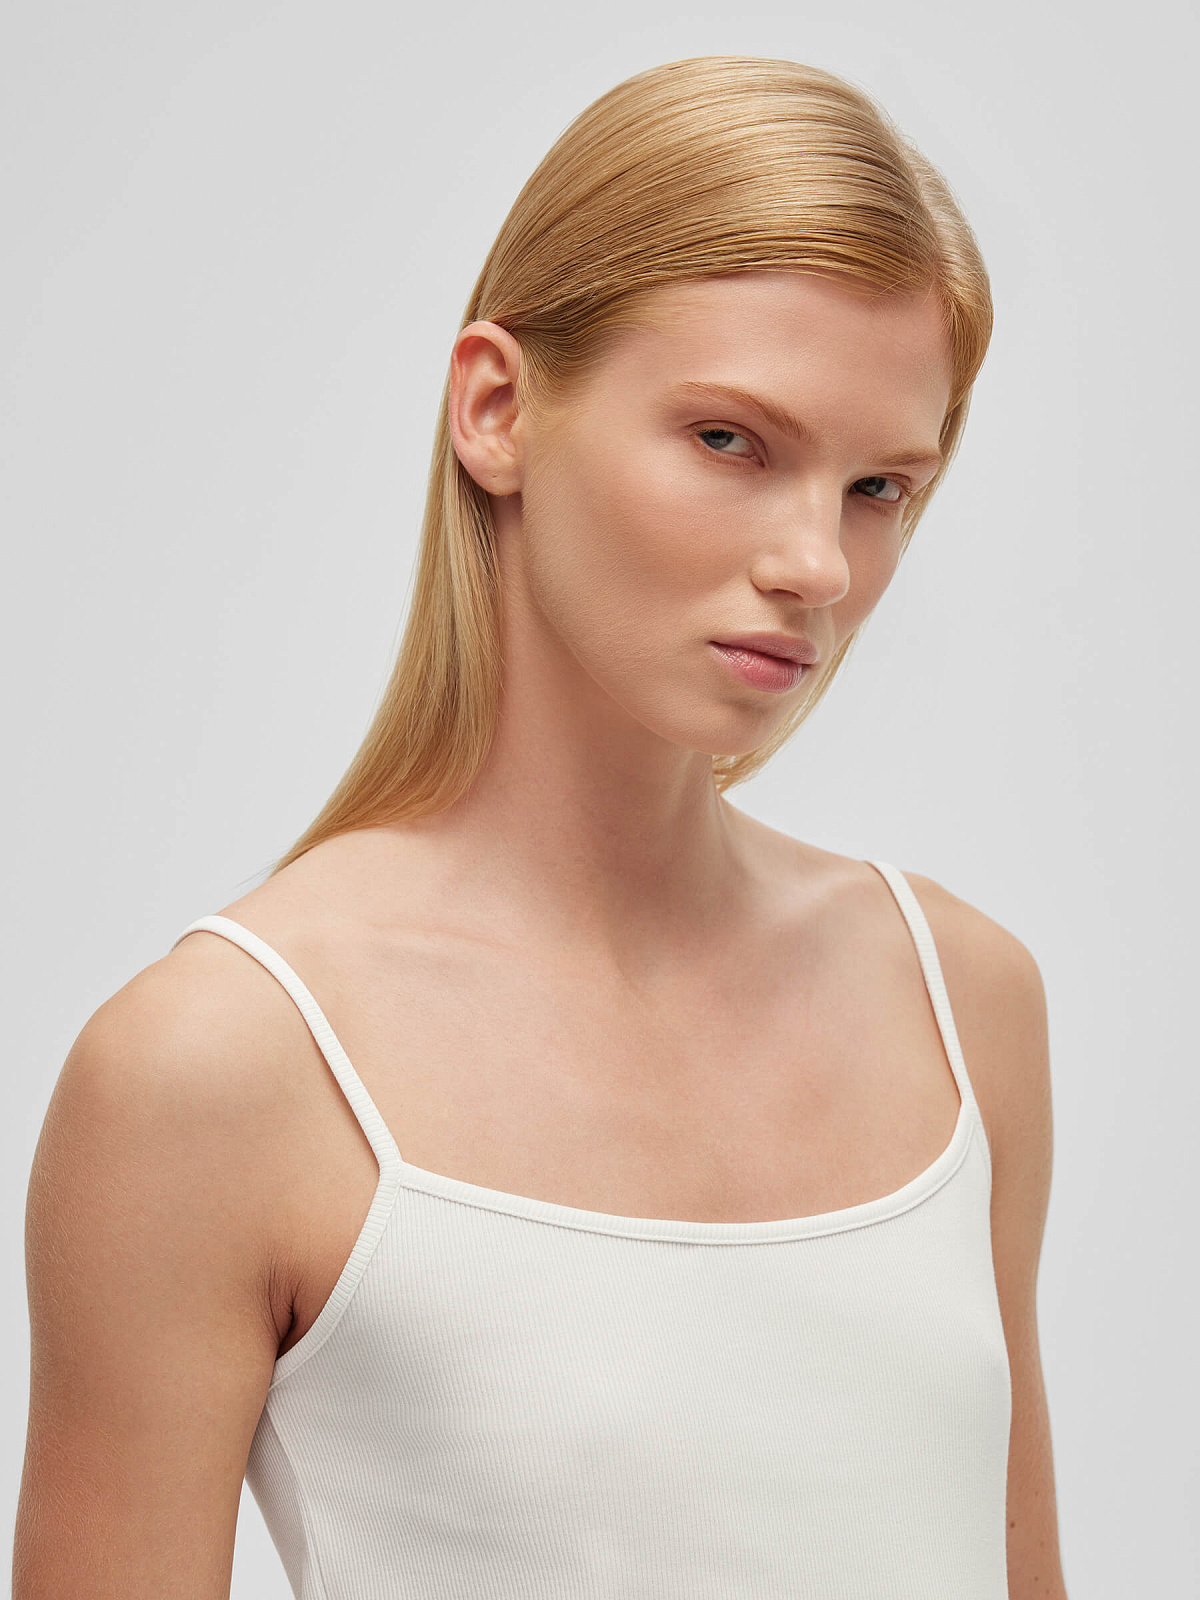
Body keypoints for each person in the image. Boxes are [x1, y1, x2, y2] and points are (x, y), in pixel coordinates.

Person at [14, 54, 1068, 1600]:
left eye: (879, 487)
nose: (818, 566)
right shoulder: (220, 1072)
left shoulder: (961, 1002)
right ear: (496, 409)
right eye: (731, 441)